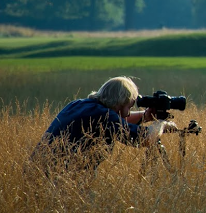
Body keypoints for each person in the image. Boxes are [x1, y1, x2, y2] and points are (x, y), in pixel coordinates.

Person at [30, 76, 177, 178]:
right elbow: (146, 138)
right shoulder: (104, 116)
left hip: (38, 171)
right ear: (121, 101)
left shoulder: (80, 105)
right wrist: (162, 124)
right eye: (130, 105)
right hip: (58, 178)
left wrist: (145, 117)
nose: (130, 109)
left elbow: (119, 122)